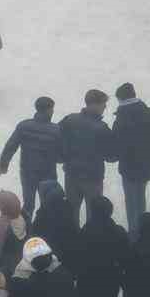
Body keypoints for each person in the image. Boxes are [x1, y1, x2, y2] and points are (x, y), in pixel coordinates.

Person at [110, 83, 150, 234]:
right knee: (140, 197)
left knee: (132, 202)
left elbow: (114, 146)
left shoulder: (120, 119)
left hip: (128, 167)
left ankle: (134, 234)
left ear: (120, 99)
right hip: (147, 166)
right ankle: (143, 230)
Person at [0, 98, 62, 221]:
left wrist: (3, 165)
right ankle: (45, 230)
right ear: (49, 110)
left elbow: (10, 146)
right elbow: (61, 155)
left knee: (28, 204)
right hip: (48, 173)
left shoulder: (23, 126)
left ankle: (25, 230)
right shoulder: (56, 130)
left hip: (28, 172)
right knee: (48, 203)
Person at [58, 90, 116, 224]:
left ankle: (73, 240)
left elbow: (56, 139)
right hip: (93, 178)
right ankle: (90, 241)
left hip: (72, 175)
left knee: (71, 213)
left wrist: (62, 157)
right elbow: (111, 156)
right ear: (94, 105)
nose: (105, 107)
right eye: (103, 104)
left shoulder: (69, 120)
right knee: (94, 214)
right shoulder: (102, 128)